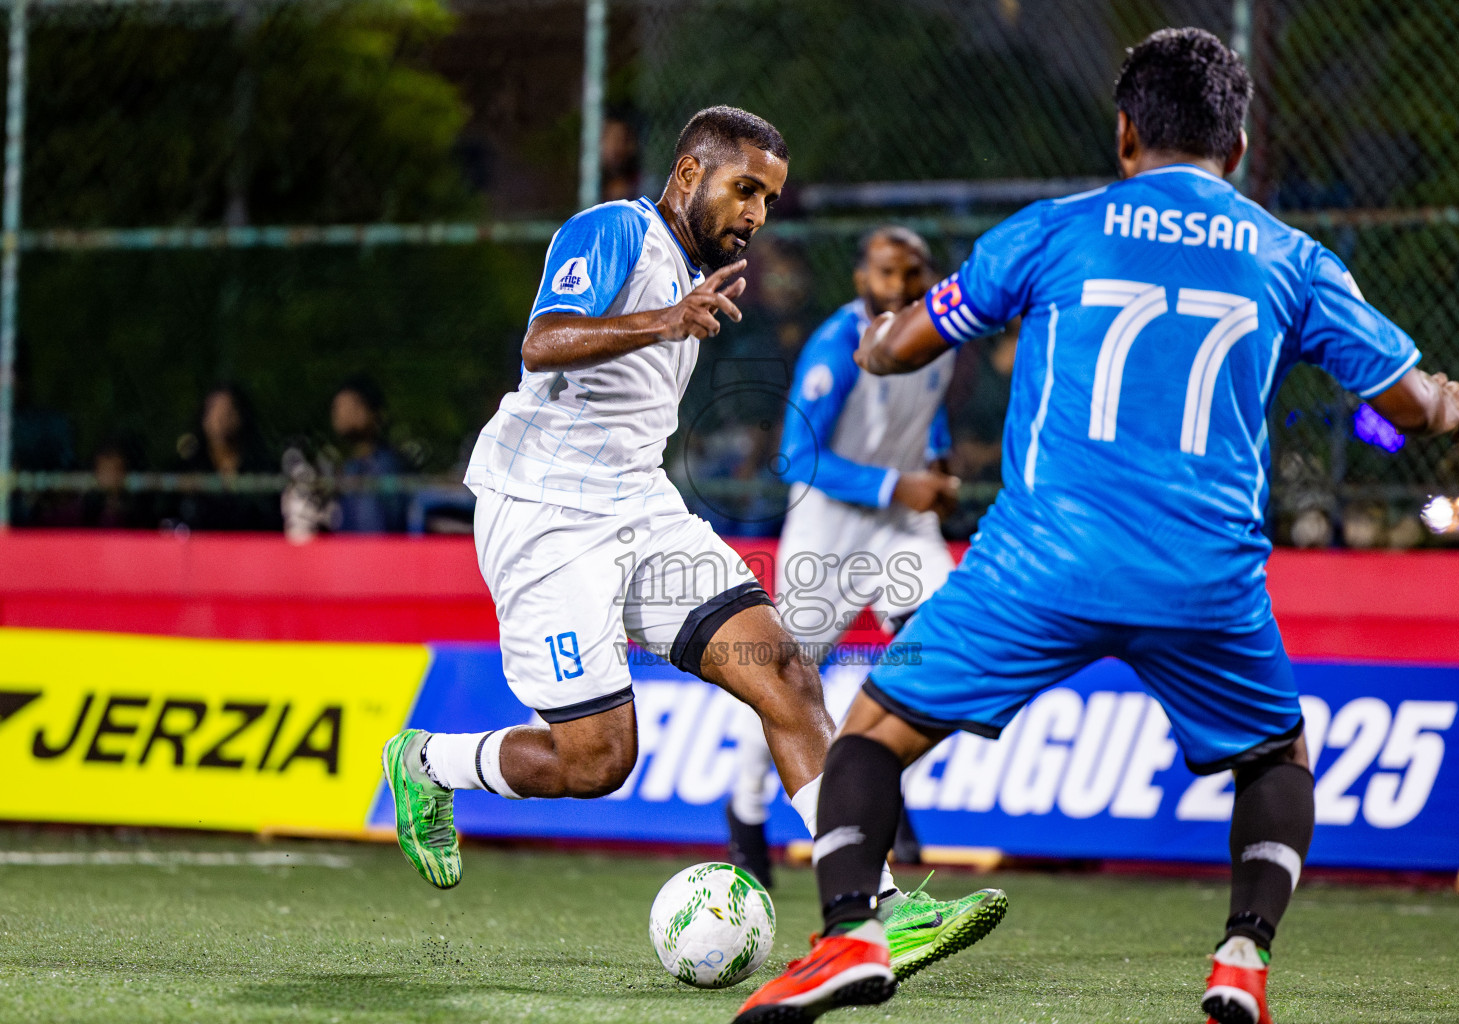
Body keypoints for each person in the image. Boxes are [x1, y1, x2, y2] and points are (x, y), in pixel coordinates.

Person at [735, 28, 1459, 1024]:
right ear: (1241, 146)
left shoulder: (1053, 230)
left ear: (1125, 133)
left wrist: (872, 338)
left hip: (1044, 562)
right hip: (1203, 576)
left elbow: (903, 347)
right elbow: (1411, 405)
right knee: (1275, 758)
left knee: (870, 734)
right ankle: (1242, 955)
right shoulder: (1293, 258)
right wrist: (1443, 402)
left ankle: (847, 935)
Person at [379, 106, 993, 977]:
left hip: (639, 505)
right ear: (686, 177)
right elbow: (543, 341)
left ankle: (872, 908)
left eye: (769, 200)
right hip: (544, 515)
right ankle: (428, 761)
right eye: (745, 189)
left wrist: (675, 314)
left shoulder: (694, 273)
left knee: (784, 669)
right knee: (597, 762)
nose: (755, 215)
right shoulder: (614, 231)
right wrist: (662, 321)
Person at [724, 228, 987, 905]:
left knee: (946, 631)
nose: (897, 288)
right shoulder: (839, 345)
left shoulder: (936, 337)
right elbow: (795, 456)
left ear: (928, 276)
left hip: (901, 531)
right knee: (785, 688)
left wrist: (933, 463)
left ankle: (877, 775)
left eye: (911, 274)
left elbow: (923, 418)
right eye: (884, 273)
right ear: (860, 277)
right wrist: (898, 485)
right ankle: (746, 811)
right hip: (828, 535)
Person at [171, 384, 281, 532]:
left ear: (241, 416)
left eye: (228, 410)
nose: (220, 418)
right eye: (214, 410)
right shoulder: (187, 469)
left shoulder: (263, 468)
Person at [331, 375, 407, 533]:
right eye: (338, 407)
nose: (342, 413)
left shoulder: (385, 465)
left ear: (374, 413)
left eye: (353, 406)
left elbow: (374, 526)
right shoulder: (348, 467)